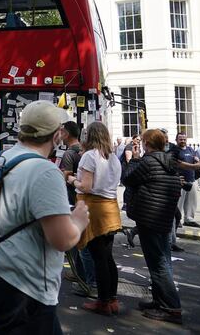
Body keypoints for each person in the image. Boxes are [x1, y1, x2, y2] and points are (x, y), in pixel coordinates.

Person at [0, 101, 89, 334]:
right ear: (57, 134)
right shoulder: (45, 171)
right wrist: (78, 221)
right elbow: (61, 239)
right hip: (26, 285)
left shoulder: (4, 157)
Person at [121, 129, 183, 324]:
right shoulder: (168, 161)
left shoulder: (148, 161)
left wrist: (136, 159)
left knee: (158, 264)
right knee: (162, 260)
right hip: (163, 218)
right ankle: (159, 301)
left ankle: (171, 308)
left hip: (150, 218)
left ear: (148, 143)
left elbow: (128, 178)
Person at [67, 122, 121, 316]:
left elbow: (86, 187)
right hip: (110, 208)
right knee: (107, 257)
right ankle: (112, 299)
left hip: (94, 208)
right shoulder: (113, 157)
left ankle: (103, 302)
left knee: (99, 258)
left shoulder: (90, 156)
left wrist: (71, 179)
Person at [57, 121, 96, 295]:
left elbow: (66, 178)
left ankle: (79, 275)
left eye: (61, 131)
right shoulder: (86, 152)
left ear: (66, 133)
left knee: (77, 240)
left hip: (73, 199)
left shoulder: (68, 155)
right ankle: (85, 275)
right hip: (86, 200)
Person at [172, 133, 200, 228]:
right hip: (180, 181)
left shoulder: (190, 149)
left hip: (191, 179)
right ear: (176, 140)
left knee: (191, 202)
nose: (183, 141)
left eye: (184, 139)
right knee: (178, 202)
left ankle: (189, 219)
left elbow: (196, 163)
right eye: (180, 139)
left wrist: (197, 160)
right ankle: (177, 220)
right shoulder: (174, 151)